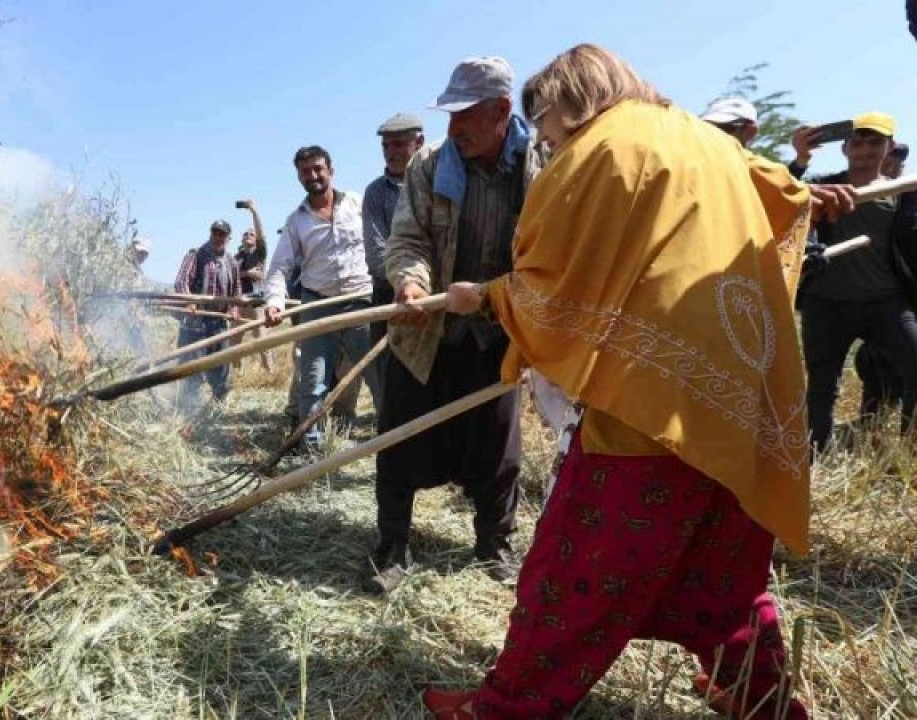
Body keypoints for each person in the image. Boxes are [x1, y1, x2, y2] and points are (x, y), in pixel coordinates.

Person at [421, 44, 817, 719]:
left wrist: (484, 297)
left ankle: (507, 707)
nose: (544, 142)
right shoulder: (709, 141)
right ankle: (766, 698)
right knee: (726, 563)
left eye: (543, 127)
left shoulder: (598, 149)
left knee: (574, 567)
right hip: (742, 386)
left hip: (652, 392)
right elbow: (788, 195)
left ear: (565, 104)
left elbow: (550, 280)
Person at [367, 57, 540, 594]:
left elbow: (551, 253)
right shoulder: (429, 166)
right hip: (429, 330)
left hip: (498, 330)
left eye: (466, 115)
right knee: (400, 437)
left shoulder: (539, 171)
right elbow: (409, 239)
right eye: (450, 115)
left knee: (497, 447)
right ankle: (392, 546)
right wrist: (412, 283)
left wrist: (494, 298)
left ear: (502, 112)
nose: (454, 128)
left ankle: (494, 544)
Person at [787, 113, 917, 451]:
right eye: (857, 142)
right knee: (822, 385)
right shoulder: (823, 188)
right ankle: (815, 455)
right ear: (845, 148)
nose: (865, 149)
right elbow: (780, 199)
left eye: (875, 142)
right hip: (827, 304)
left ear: (889, 148)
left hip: (886, 304)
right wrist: (799, 160)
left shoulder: (905, 195)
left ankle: (908, 451)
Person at [264, 146, 379, 451]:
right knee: (312, 382)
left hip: (361, 303)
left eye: (318, 169)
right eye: (305, 171)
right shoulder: (296, 222)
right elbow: (279, 267)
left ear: (331, 171)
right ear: (298, 176)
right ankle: (311, 454)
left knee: (379, 377)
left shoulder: (358, 204)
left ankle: (395, 446)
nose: (312, 176)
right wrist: (274, 301)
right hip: (318, 306)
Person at [363, 112, 426, 413]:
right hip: (390, 297)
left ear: (419, 143)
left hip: (432, 297)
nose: (392, 152)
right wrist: (405, 283)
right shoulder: (376, 193)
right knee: (388, 379)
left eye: (399, 144)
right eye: (386, 146)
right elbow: (376, 253)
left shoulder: (438, 180)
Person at [172, 219, 243, 404]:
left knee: (220, 364)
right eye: (215, 233)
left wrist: (234, 308)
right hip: (195, 320)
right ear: (210, 233)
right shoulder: (196, 255)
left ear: (229, 238)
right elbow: (181, 282)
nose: (218, 237)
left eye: (222, 234)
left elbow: (236, 292)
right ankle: (188, 407)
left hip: (219, 321)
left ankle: (218, 405)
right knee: (192, 366)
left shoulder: (232, 262)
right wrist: (189, 301)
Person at [233, 201, 273, 372]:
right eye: (245, 233)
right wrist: (246, 274)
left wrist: (253, 211)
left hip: (256, 301)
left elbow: (261, 235)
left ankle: (270, 373)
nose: (248, 235)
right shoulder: (236, 257)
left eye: (251, 233)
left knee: (261, 341)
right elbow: (230, 276)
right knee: (234, 341)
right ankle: (237, 373)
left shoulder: (259, 253)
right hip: (239, 302)